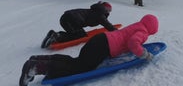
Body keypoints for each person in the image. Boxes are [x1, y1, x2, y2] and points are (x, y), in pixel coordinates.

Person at [20, 14, 158, 86]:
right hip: (104, 46)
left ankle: (38, 60)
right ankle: (36, 67)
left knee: (77, 61)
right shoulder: (143, 31)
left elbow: (127, 40)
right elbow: (134, 43)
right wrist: (145, 55)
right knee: (80, 67)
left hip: (100, 40)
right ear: (152, 29)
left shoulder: (137, 25)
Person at [41, 1, 117, 48]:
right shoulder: (99, 14)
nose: (108, 12)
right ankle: (57, 36)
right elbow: (107, 25)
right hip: (71, 20)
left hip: (65, 18)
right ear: (104, 8)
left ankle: (54, 34)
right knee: (80, 36)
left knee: (75, 33)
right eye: (108, 10)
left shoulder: (95, 10)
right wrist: (117, 32)